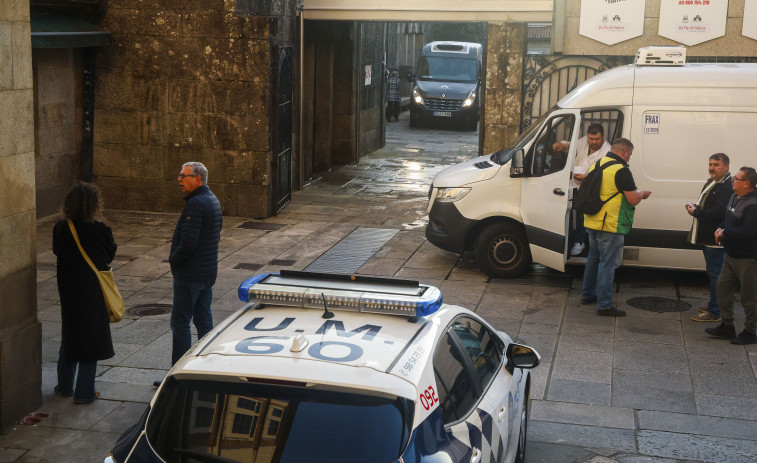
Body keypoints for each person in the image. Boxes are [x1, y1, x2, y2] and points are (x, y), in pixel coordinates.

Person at [53, 182, 116, 404]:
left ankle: (64, 387)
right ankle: (84, 393)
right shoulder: (100, 230)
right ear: (93, 205)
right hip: (92, 294)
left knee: (69, 338)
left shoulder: (61, 227)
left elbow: (56, 251)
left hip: (69, 293)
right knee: (91, 341)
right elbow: (109, 255)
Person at [161, 162, 223, 384]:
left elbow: (188, 244)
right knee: (203, 320)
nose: (179, 179)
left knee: (180, 324)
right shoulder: (212, 200)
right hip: (206, 273)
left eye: (183, 175)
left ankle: (177, 376)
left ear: (197, 179)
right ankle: (206, 368)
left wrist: (174, 262)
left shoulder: (195, 205)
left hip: (191, 275)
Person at [580, 138, 652, 316]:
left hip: (592, 220)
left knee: (593, 259)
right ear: (624, 153)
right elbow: (632, 199)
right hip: (610, 224)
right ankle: (604, 305)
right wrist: (642, 194)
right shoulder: (621, 170)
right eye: (630, 155)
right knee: (608, 264)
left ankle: (588, 295)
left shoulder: (598, 163)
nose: (629, 159)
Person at [705, 166, 757, 345]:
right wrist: (721, 227)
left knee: (749, 297)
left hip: (748, 258)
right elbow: (728, 219)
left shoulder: (753, 204)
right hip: (731, 254)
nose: (732, 180)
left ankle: (750, 331)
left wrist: (725, 233)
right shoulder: (735, 196)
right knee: (723, 289)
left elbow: (749, 231)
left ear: (747, 183)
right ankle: (727, 326)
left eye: (736, 178)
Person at [686, 153, 733, 322]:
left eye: (716, 165)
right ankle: (715, 305)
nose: (712, 168)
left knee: (716, 274)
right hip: (709, 236)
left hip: (715, 239)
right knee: (715, 273)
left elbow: (719, 212)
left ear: (726, 167)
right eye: (710, 164)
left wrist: (696, 212)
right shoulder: (716, 182)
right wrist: (696, 206)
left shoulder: (727, 186)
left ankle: (715, 311)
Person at [554, 123, 612, 255]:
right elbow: (570, 145)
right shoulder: (582, 142)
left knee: (581, 213)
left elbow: (603, 175)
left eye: (596, 139)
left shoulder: (607, 151)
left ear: (602, 137)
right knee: (569, 210)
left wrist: (586, 178)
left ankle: (579, 242)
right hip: (575, 184)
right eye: (591, 139)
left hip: (591, 188)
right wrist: (561, 145)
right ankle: (568, 240)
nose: (593, 142)